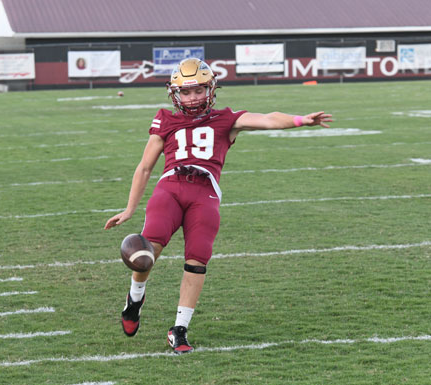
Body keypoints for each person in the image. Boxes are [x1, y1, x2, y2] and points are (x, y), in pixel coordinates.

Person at [104, 58, 332, 354]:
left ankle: (180, 329)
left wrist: (300, 120)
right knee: (149, 249)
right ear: (175, 94)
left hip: (205, 193)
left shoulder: (226, 119)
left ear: (211, 89)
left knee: (197, 258)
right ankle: (134, 300)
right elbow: (145, 167)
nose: (192, 97)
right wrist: (130, 208)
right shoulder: (165, 119)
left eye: (198, 90)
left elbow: (267, 119)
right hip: (170, 188)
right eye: (186, 92)